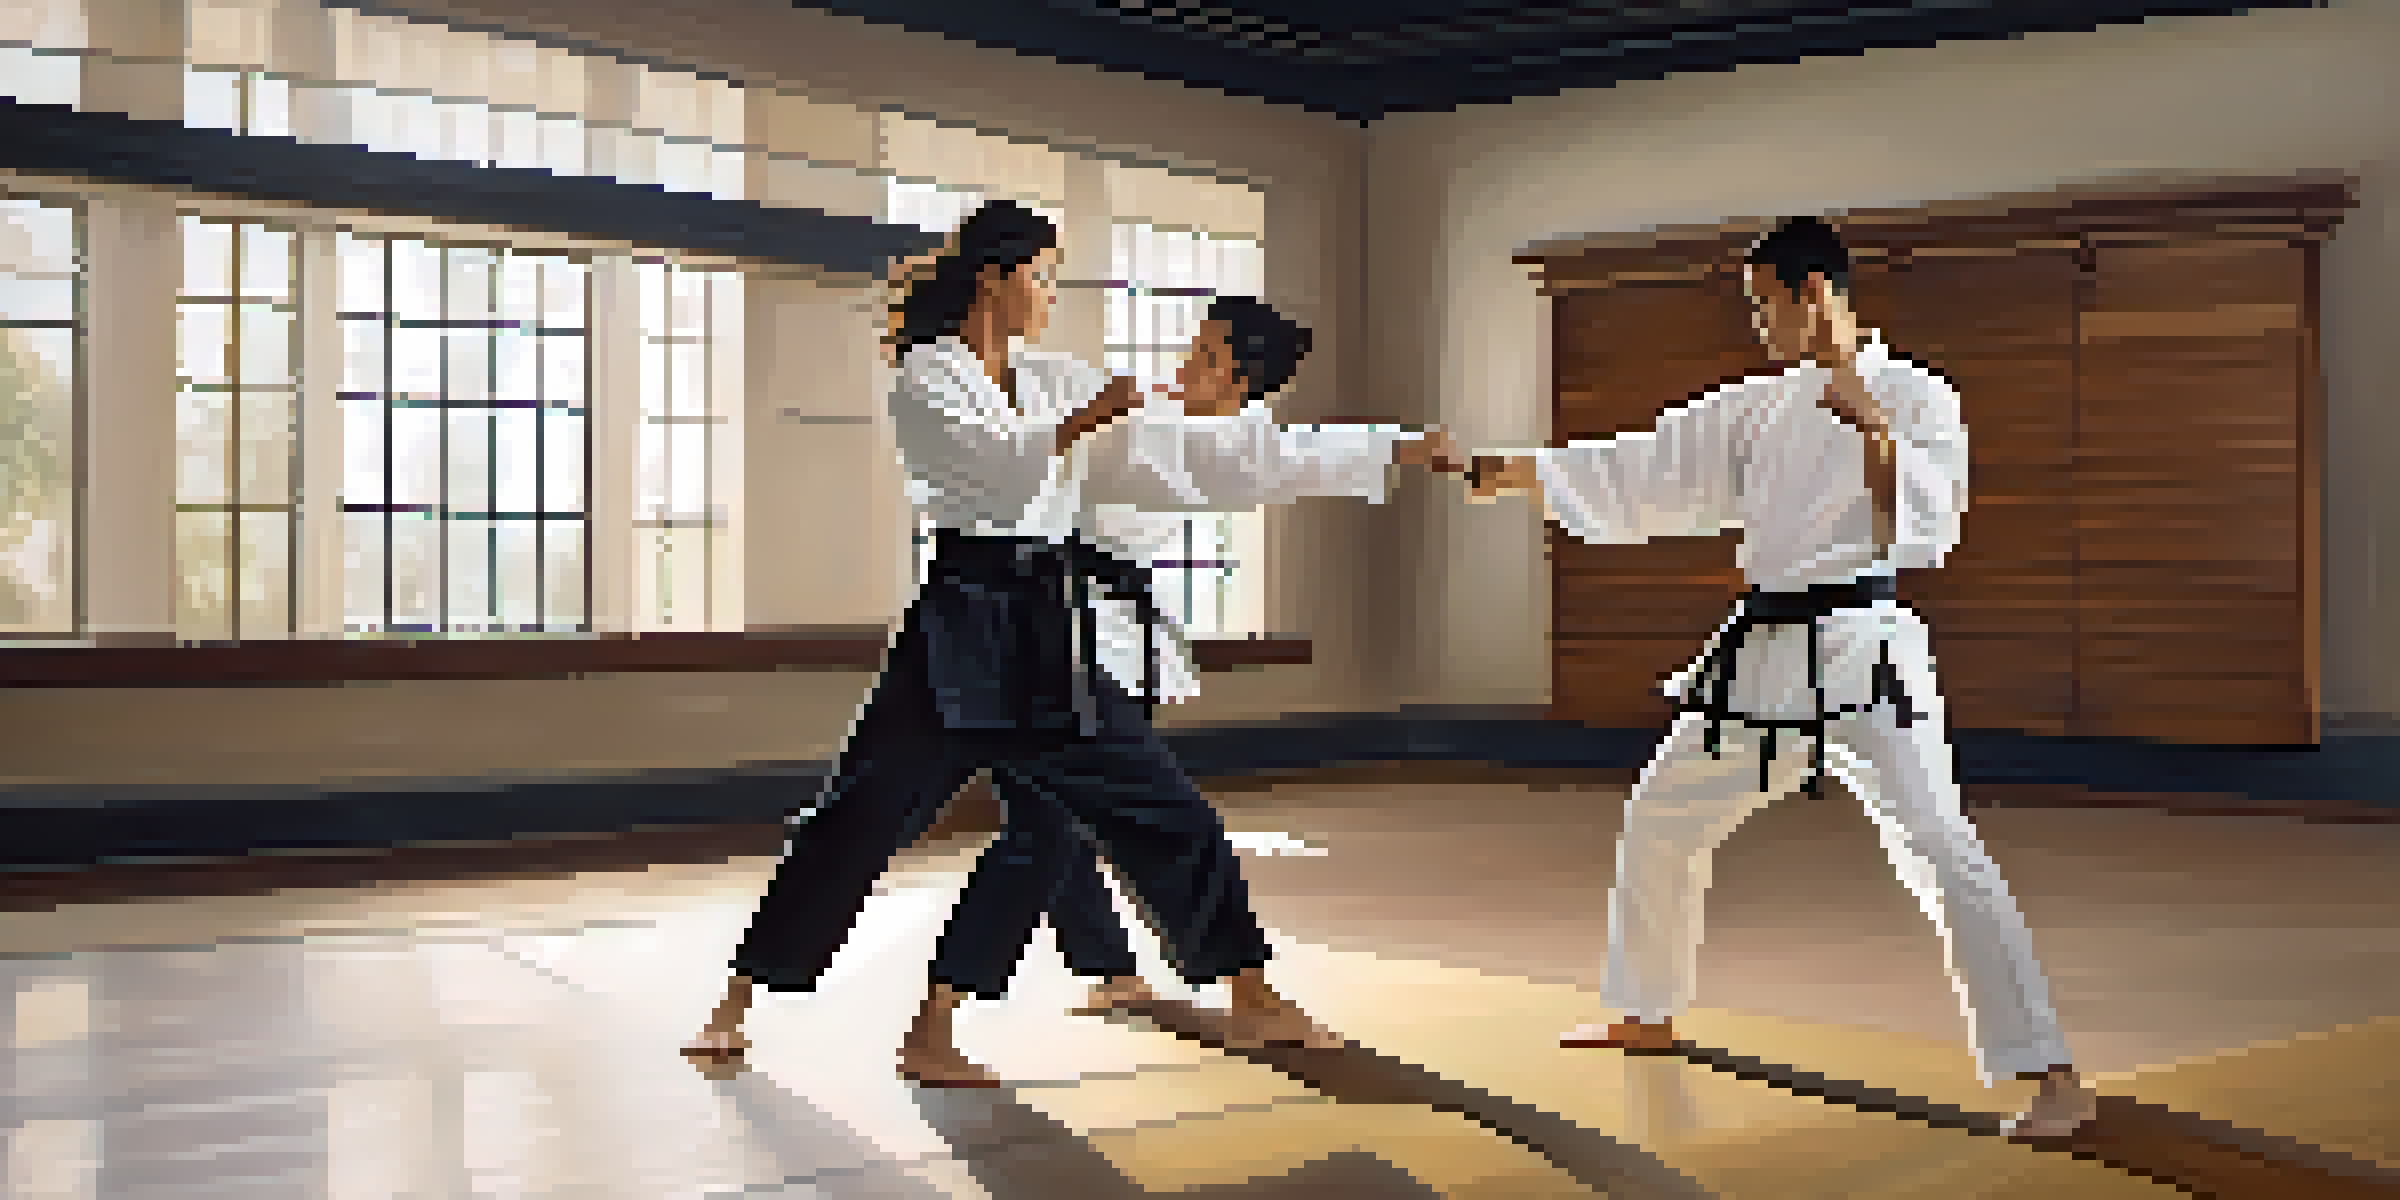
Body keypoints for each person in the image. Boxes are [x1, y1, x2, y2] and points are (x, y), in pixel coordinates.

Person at [684, 202, 1463, 1086]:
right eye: (1044, 276)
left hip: (1045, 635)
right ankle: (735, 1003)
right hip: (958, 622)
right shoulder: (926, 377)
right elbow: (990, 475)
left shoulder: (1051, 379)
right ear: (996, 277)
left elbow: (1209, 456)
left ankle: (1246, 994)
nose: (1051, 295)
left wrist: (1389, 449)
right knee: (855, 821)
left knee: (1165, 813)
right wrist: (1085, 421)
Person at [1464, 216, 2098, 1141]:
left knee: (1940, 849)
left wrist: (1874, 428)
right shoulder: (1759, 408)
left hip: (1862, 654)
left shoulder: (1917, 395)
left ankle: (2051, 1074)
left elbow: (1928, 530)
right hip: (1761, 657)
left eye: (1765, 306)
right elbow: (1644, 469)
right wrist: (1509, 473)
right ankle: (1645, 1010)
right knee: (1663, 815)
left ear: (1812, 293)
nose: (1759, 325)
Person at [912, 296, 1461, 1082]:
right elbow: (1254, 457)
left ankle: (1089, 975)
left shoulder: (1211, 435)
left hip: (1066, 646)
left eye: (1203, 357)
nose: (1183, 365)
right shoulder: (1151, 428)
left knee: (1051, 825)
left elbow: (1282, 452)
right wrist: (974, 350)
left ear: (1237, 381)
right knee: (1162, 823)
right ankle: (1248, 992)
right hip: (1057, 652)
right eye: (1192, 349)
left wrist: (1402, 447)